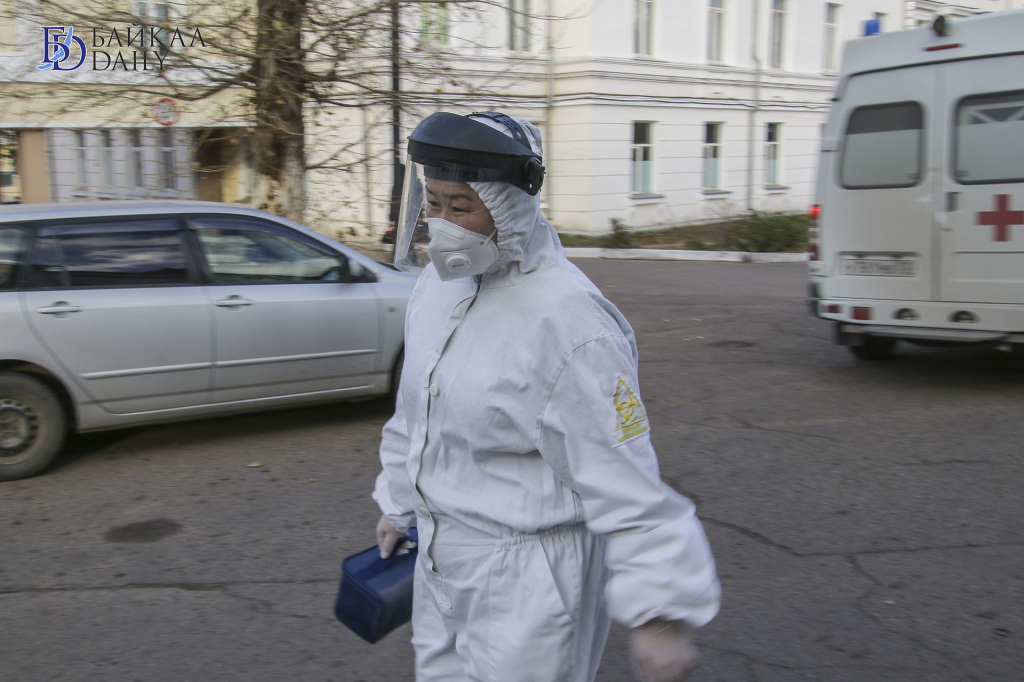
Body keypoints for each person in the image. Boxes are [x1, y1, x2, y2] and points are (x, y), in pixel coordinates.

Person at [372, 111, 720, 682]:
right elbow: (416, 412)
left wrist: (660, 612)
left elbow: (624, 476)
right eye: (432, 203)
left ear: (510, 205)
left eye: (461, 207)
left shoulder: (570, 324)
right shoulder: (439, 287)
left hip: (528, 579)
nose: (442, 224)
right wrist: (398, 500)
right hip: (441, 555)